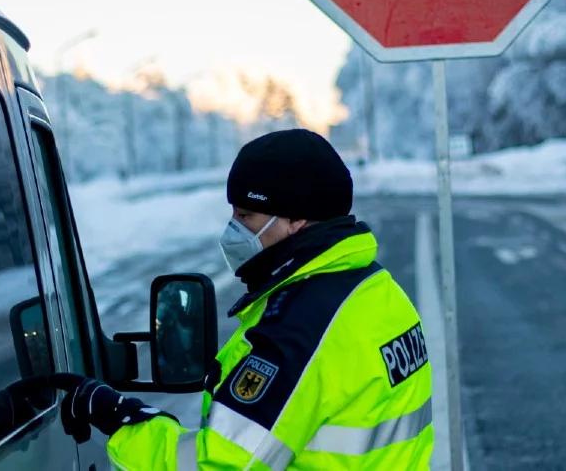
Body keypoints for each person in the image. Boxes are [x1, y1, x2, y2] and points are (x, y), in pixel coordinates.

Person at [53, 129, 434, 469]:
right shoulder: (375, 289)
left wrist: (122, 422)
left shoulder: (302, 327)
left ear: (296, 219)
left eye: (246, 215)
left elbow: (219, 464)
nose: (233, 230)